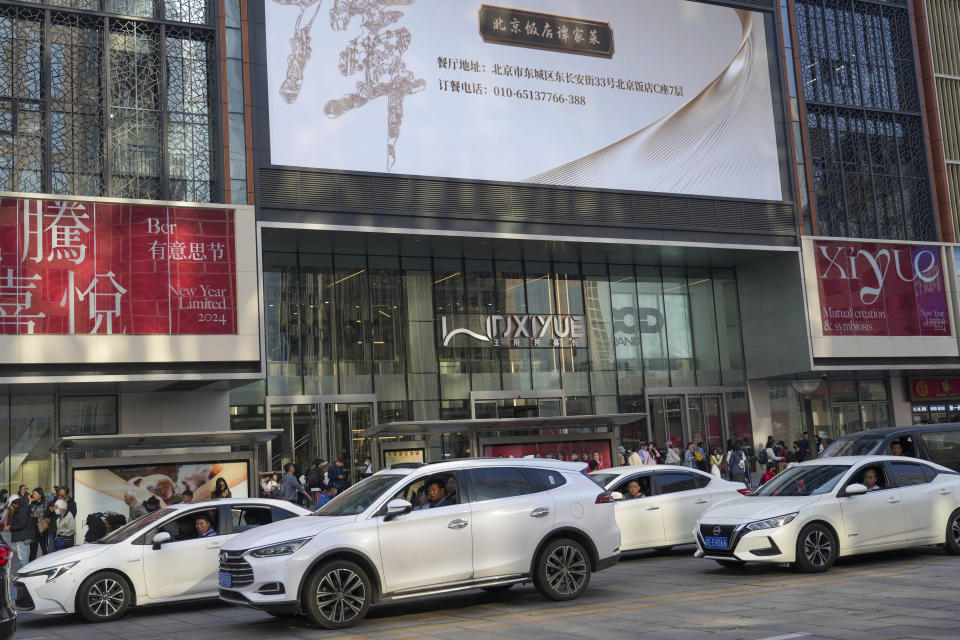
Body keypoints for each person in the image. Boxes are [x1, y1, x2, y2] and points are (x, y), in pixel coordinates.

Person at [5, 495, 31, 564]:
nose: (12, 506)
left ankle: (24, 572)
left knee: (22, 556)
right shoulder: (22, 509)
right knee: (23, 555)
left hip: (21, 536)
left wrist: (10, 528)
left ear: (14, 503)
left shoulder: (21, 510)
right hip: (21, 536)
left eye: (12, 504)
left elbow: (21, 524)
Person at [28, 488, 46, 560]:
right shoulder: (32, 503)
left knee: (44, 547)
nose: (33, 495)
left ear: (40, 494)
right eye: (33, 494)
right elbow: (27, 512)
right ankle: (31, 564)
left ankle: (47, 563)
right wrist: (30, 501)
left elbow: (48, 514)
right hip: (33, 527)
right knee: (32, 548)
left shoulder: (46, 503)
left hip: (42, 526)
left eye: (35, 494)